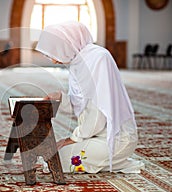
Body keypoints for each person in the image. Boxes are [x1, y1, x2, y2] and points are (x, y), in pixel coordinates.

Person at [36, 21, 144, 173]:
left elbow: (98, 111)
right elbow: (79, 103)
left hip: (116, 138)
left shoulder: (98, 58)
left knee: (57, 160)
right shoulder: (77, 62)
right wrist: (60, 97)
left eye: (54, 52)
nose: (53, 60)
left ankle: (115, 160)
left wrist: (72, 139)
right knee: (51, 156)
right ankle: (109, 162)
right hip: (93, 134)